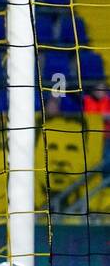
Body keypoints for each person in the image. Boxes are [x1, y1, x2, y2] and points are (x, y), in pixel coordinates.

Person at [51, 81, 110, 213]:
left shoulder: (108, 101)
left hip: (106, 141)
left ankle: (99, 207)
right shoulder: (86, 101)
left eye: (102, 88)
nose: (100, 91)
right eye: (97, 87)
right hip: (89, 144)